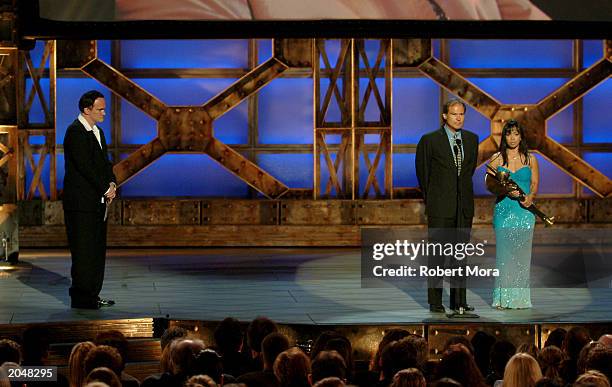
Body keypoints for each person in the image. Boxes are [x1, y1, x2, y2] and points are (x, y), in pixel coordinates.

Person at [416, 98, 479, 314]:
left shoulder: (472, 139)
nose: (458, 118)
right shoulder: (430, 140)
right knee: (437, 257)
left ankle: (458, 301)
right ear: (445, 116)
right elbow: (423, 174)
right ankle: (435, 302)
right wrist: (434, 199)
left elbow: (467, 173)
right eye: (454, 114)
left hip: (463, 207)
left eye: (461, 114)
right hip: (440, 207)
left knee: (460, 256)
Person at [63, 90, 117, 309]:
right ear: (87, 110)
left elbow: (105, 163)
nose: (104, 113)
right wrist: (105, 188)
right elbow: (85, 167)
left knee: (96, 251)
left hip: (97, 203)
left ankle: (93, 295)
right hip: (81, 205)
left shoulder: (98, 132)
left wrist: (112, 183)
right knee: (83, 252)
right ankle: (82, 298)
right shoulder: (75, 132)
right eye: (100, 109)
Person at [488, 119, 539, 309]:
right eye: (509, 133)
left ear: (521, 136)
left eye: (516, 133)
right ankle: (503, 299)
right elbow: (490, 184)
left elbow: (534, 183)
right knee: (504, 256)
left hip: (524, 213)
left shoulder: (530, 159)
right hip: (504, 211)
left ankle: (520, 299)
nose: (512, 137)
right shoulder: (497, 158)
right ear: (504, 136)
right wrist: (502, 189)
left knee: (522, 257)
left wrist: (531, 197)